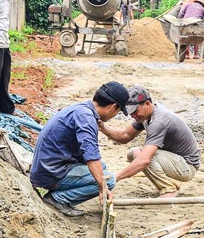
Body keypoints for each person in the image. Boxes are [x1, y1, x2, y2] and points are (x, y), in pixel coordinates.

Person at [29, 81, 129, 217]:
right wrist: (103, 187)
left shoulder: (82, 109)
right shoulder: (86, 118)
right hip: (51, 172)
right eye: (117, 112)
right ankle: (57, 199)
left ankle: (61, 192)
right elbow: (91, 155)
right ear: (113, 107)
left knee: (102, 167)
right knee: (109, 179)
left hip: (49, 165)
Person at [98, 86, 200, 198]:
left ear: (147, 103)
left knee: (144, 157)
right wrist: (103, 128)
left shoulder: (158, 122)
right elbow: (125, 136)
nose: (133, 115)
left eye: (135, 111)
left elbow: (144, 160)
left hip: (187, 166)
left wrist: (115, 178)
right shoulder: (146, 115)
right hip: (175, 160)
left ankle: (168, 189)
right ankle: (168, 184)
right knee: (134, 153)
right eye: (131, 112)